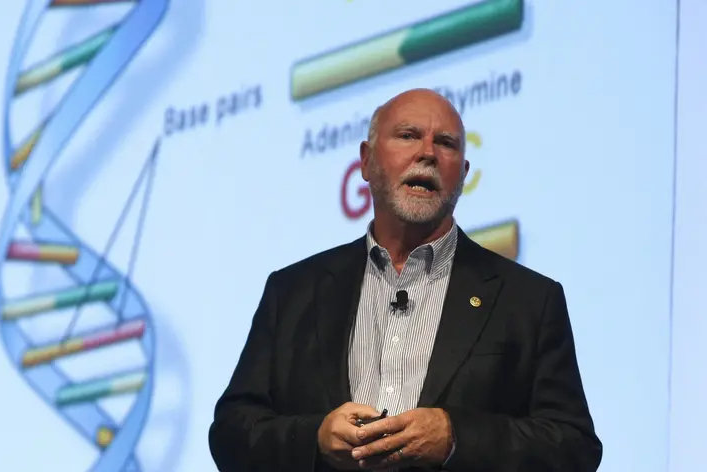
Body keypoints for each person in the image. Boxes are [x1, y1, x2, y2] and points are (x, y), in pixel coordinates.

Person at [208, 89, 602, 471]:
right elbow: (231, 433)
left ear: (463, 175)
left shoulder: (529, 301)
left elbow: (574, 447)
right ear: (366, 162)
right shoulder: (293, 292)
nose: (427, 153)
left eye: (445, 143)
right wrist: (314, 439)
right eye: (408, 135)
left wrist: (455, 438)